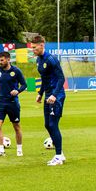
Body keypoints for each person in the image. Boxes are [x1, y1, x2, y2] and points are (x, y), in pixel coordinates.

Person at [33, 35, 66, 166]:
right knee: (47, 125)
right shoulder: (38, 60)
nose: (33, 50)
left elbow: (61, 79)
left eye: (35, 48)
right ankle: (60, 154)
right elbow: (44, 78)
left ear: (42, 45)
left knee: (53, 125)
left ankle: (58, 156)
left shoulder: (51, 59)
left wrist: (54, 95)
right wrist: (40, 93)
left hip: (56, 96)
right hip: (47, 96)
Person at [0, 51, 27, 157]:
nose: (0, 62)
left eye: (2, 60)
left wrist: (17, 91)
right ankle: (1, 150)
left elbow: (24, 85)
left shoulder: (16, 71)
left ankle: (19, 149)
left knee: (16, 126)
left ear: (8, 59)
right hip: (1, 102)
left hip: (12, 103)